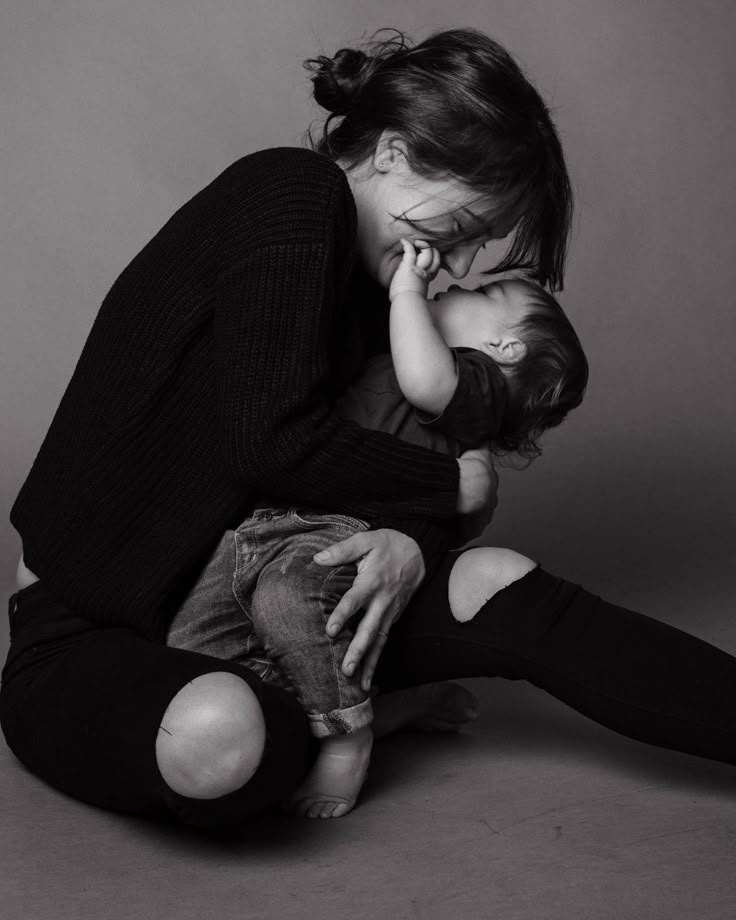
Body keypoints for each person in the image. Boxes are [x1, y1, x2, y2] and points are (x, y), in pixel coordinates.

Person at [3, 28, 736, 831]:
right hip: (94, 633)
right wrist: (445, 488)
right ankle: (349, 717)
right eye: (459, 231)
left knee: (493, 581)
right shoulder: (293, 194)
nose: (455, 266)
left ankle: (342, 709)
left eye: (474, 249)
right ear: (391, 153)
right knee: (222, 738)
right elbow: (273, 442)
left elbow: (353, 462)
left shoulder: (383, 302)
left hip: (265, 598)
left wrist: (414, 541)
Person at [167, 238, 588, 819]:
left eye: (487, 292)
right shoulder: (397, 350)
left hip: (344, 528)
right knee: (191, 641)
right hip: (268, 519)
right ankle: (377, 708)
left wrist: (408, 291)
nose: (464, 282)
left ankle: (347, 739)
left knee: (289, 599)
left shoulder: (477, 383)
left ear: (504, 346)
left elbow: (425, 383)